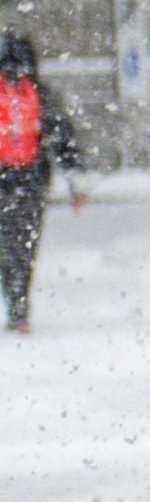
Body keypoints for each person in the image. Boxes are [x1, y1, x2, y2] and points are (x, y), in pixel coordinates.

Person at [0, 32, 89, 334]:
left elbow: (63, 138)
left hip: (24, 181)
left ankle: (17, 303)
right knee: (22, 247)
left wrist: (76, 180)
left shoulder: (39, 95)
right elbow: (64, 140)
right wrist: (75, 179)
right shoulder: (41, 94)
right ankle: (18, 305)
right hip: (28, 181)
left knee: (17, 247)